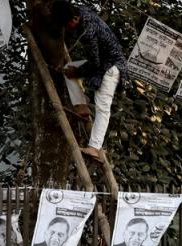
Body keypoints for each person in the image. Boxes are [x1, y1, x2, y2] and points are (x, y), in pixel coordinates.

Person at [49, 1, 126, 160]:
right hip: (105, 62)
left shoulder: (88, 30)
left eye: (68, 24)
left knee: (103, 107)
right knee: (69, 67)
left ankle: (94, 148)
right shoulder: (81, 10)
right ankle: (81, 106)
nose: (69, 28)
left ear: (73, 19)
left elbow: (95, 63)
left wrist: (77, 72)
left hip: (110, 67)